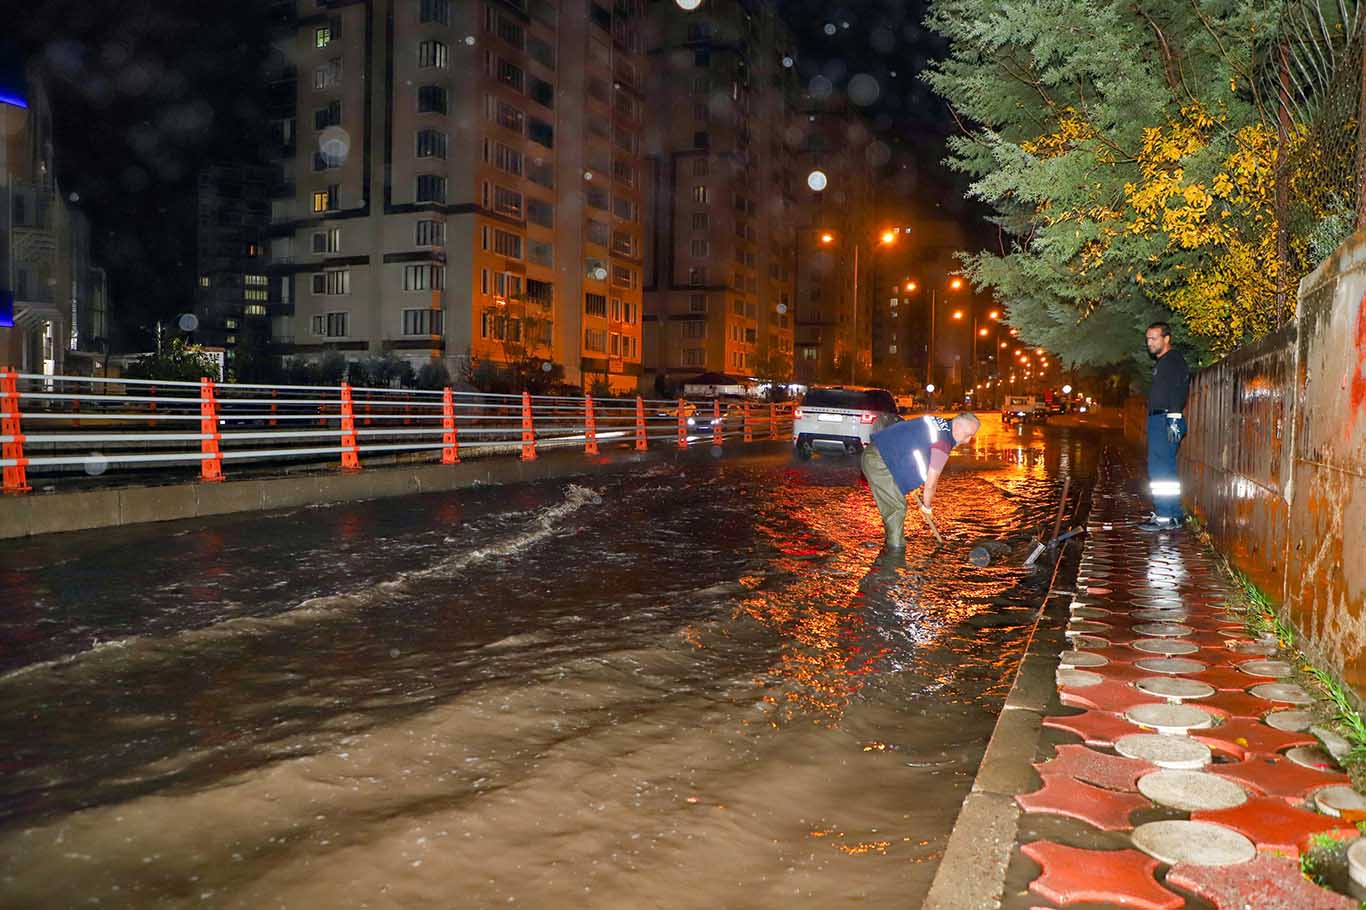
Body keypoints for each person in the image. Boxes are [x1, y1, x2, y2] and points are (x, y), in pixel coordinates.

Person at [861, 412, 981, 549]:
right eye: (968, 434)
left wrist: (912, 480)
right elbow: (931, 483)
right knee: (897, 507)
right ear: (958, 426)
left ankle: (891, 542)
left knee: (894, 504)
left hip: (883, 454)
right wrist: (927, 506)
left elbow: (913, 447)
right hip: (878, 460)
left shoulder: (940, 425)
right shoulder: (943, 444)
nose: (967, 440)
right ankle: (895, 554)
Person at [1141, 321, 1190, 532]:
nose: (1149, 343)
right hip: (1162, 419)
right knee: (1166, 469)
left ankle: (1164, 516)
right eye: (1148, 339)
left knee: (1159, 470)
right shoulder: (1165, 362)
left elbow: (1179, 389)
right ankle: (1173, 514)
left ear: (1166, 338)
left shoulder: (1172, 361)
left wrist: (1173, 417)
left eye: (1154, 338)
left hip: (1165, 420)